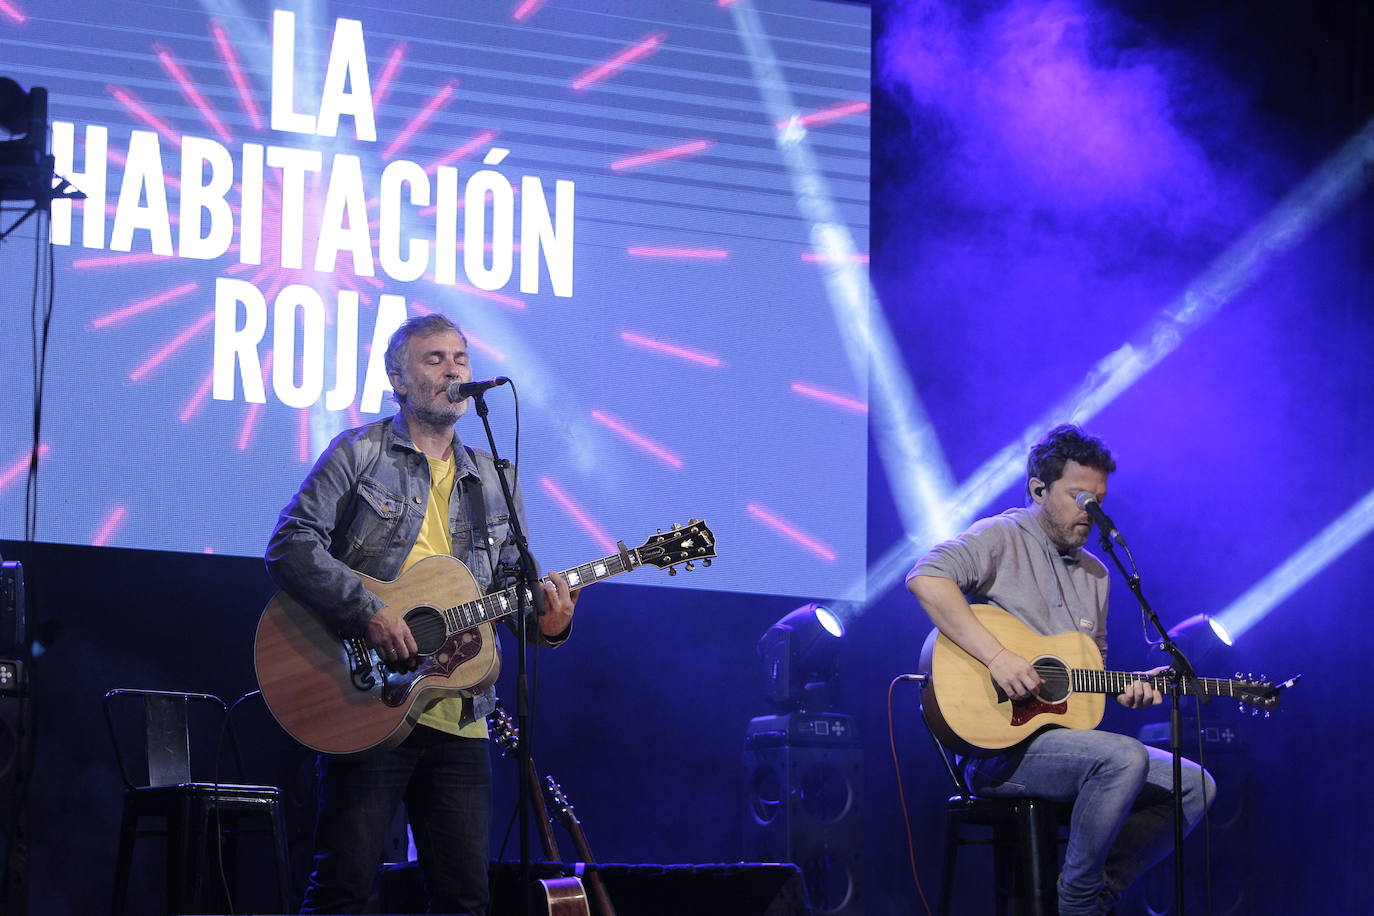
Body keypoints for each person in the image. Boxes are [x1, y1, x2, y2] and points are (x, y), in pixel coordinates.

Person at [265, 313, 578, 915]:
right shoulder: (361, 451)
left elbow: (514, 597)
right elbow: (291, 543)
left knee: (464, 899)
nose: (454, 369)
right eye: (434, 359)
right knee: (343, 889)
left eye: (460, 358)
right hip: (363, 698)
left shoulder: (496, 479)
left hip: (458, 712)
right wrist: (367, 612)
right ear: (398, 381)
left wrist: (552, 625)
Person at [907, 423, 1214, 916]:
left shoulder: (1096, 574)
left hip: (1063, 746)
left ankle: (1095, 895)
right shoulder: (1000, 535)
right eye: (1079, 498)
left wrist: (1126, 690)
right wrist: (998, 656)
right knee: (1123, 757)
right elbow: (925, 578)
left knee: (1195, 784)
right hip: (998, 750)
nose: (1091, 512)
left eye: (1099, 500)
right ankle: (1074, 904)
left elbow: (1086, 680)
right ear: (1039, 489)